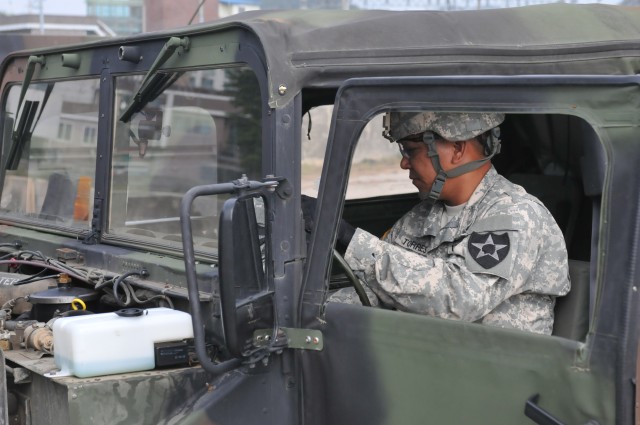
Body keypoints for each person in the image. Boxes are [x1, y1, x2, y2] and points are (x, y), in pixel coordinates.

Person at [307, 111, 570, 335]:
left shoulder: (516, 215)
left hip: (492, 379)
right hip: (427, 361)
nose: (403, 162)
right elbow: (378, 290)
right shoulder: (422, 216)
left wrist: (349, 238)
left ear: (456, 148)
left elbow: (459, 298)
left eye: (411, 150)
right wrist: (311, 312)